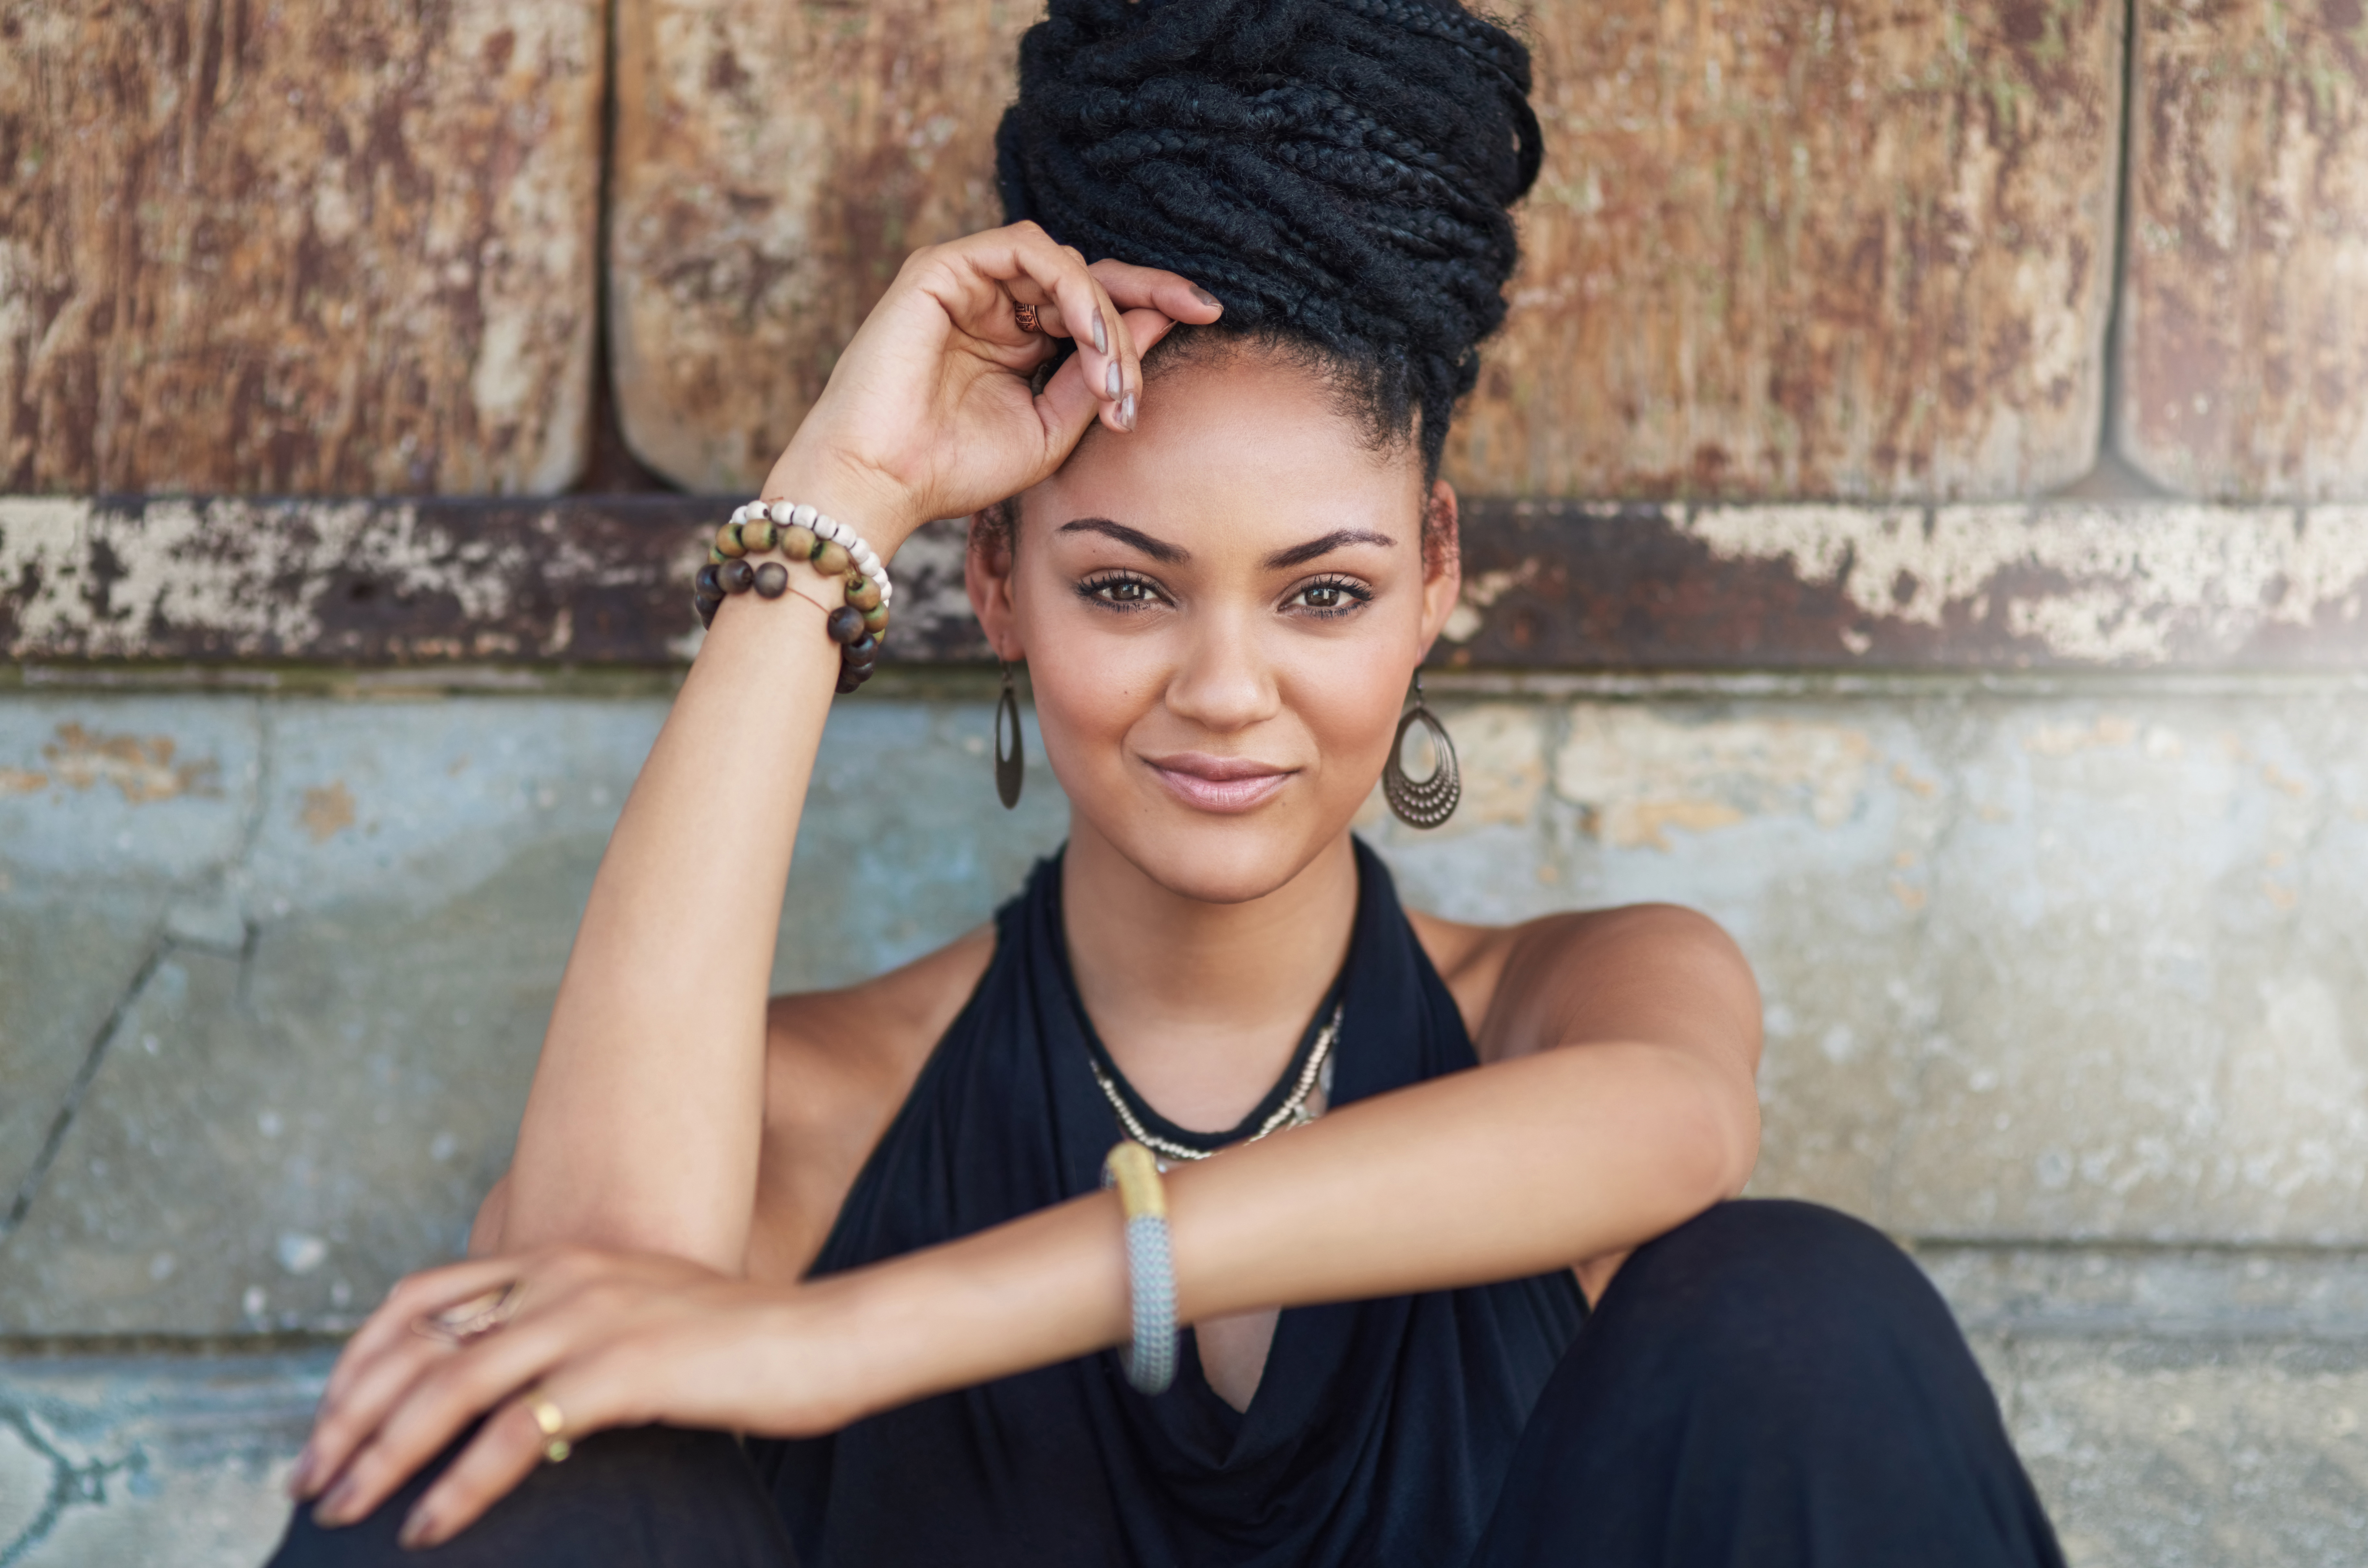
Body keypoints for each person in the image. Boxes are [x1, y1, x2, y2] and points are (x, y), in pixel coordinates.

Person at [270, 1, 2066, 1563]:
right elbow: (589, 1307)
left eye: (1327, 593)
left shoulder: (1577, 1007)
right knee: (531, 1440)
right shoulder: (826, 1102)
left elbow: (1681, 1127)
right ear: (995, 587)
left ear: (1437, 577)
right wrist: (841, 505)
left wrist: (852, 1341)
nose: (1226, 693)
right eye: (1125, 586)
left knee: (1803, 1306)